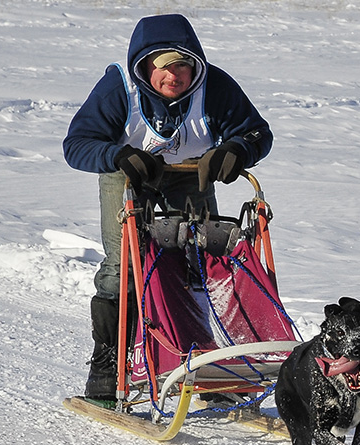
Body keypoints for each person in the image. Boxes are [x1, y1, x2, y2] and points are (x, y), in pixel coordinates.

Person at [63, 14, 273, 404]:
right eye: (163, 66)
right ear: (144, 67)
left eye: (183, 65)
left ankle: (209, 361)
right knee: (124, 263)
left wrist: (236, 150)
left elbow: (257, 132)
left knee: (201, 258)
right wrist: (117, 155)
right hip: (128, 175)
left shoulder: (216, 87)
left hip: (191, 174)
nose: (173, 76)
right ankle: (109, 362)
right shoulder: (119, 89)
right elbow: (76, 144)